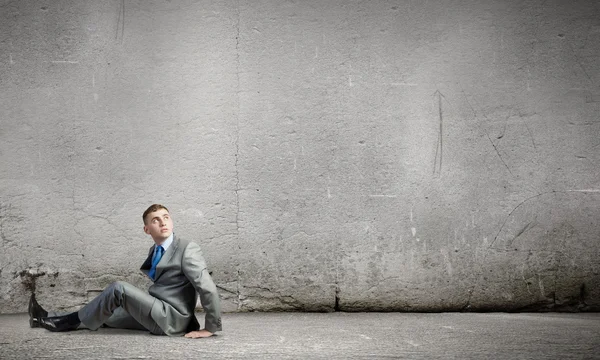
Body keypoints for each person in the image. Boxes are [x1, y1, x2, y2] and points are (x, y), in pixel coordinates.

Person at [28, 204, 222, 338]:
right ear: (147, 229)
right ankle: (44, 317)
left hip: (172, 319)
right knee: (105, 313)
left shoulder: (187, 248)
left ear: (172, 222)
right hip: (156, 310)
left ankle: (65, 323)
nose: (162, 222)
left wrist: (210, 328)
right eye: (155, 220)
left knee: (118, 288)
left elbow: (208, 288)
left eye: (166, 217)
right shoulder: (154, 250)